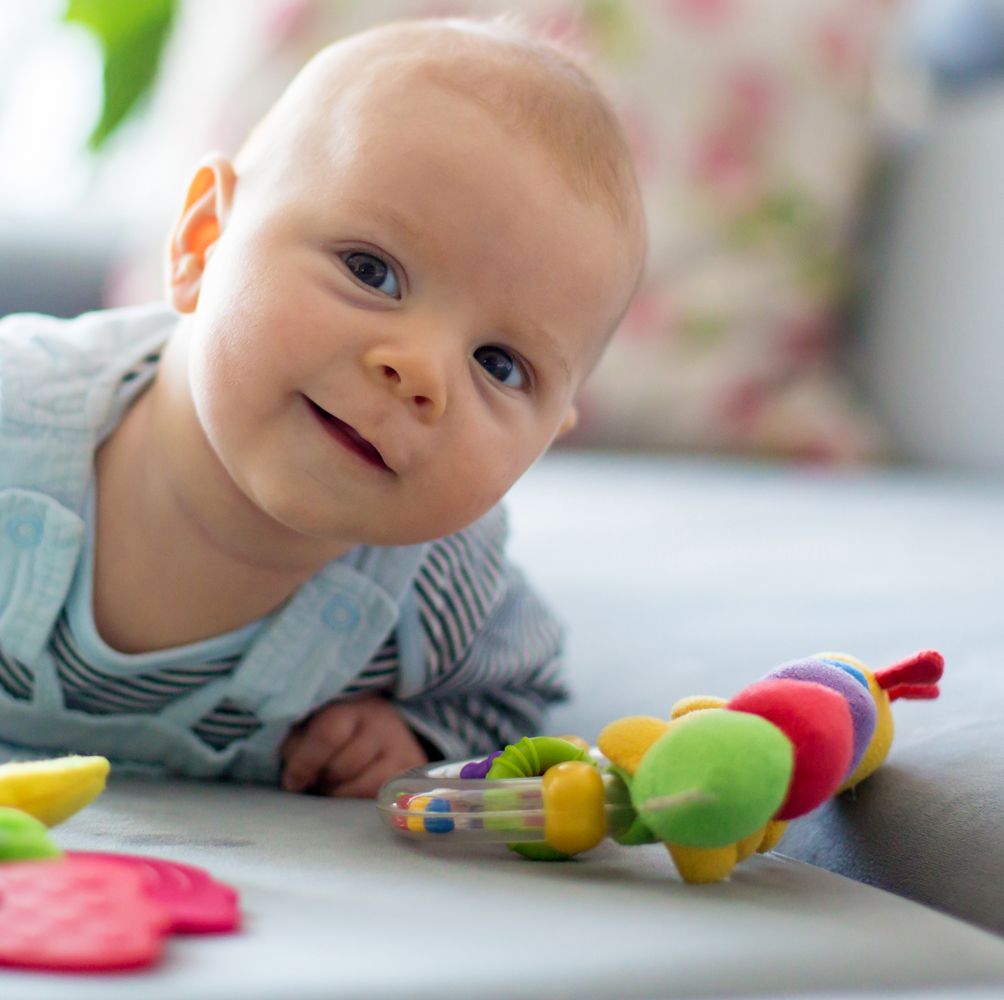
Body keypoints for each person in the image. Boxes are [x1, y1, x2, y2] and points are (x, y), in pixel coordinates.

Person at [0, 16, 645, 797]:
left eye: (499, 364)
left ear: (548, 437)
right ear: (202, 242)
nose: (421, 372)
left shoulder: (438, 591)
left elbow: (516, 699)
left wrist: (413, 735)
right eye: (373, 271)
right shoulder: (16, 418)